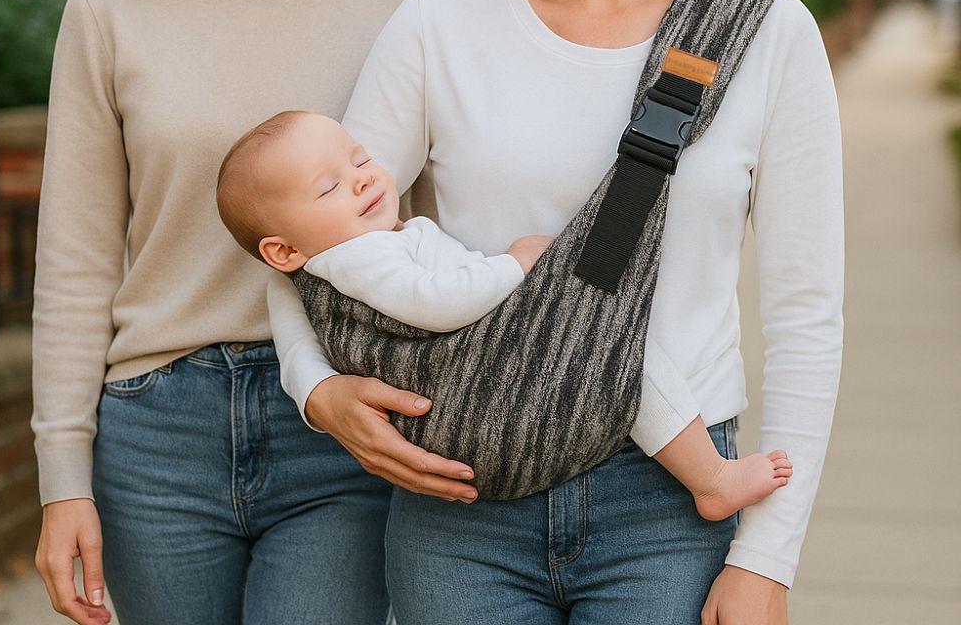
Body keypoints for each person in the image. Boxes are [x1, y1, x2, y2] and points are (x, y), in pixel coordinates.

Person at [268, 0, 843, 624]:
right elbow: (308, 240)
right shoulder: (441, 25)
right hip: (463, 504)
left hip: (668, 506)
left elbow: (807, 316)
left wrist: (768, 558)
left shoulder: (764, 34)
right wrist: (319, 388)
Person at [30, 0, 457, 625]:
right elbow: (76, 262)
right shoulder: (110, 8)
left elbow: (445, 223)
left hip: (342, 423)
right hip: (155, 437)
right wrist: (64, 479)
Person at [223, 109, 793, 522]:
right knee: (618, 357)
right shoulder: (359, 257)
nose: (363, 178)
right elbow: (435, 303)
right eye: (329, 187)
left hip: (483, 402)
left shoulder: (321, 266)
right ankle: (710, 477)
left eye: (360, 158)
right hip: (486, 372)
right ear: (283, 250)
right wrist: (514, 266)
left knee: (613, 356)